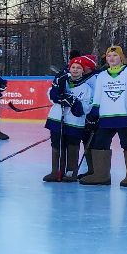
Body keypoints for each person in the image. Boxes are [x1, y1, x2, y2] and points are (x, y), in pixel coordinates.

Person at [82, 45, 127, 188]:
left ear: (121, 58)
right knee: (100, 144)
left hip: (124, 116)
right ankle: (101, 175)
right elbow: (97, 98)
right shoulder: (102, 76)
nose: (112, 58)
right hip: (105, 118)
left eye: (115, 56)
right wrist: (93, 114)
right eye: (109, 56)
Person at [44, 54, 96, 183]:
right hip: (57, 119)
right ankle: (56, 172)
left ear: (83, 71)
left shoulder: (87, 88)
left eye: (79, 68)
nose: (75, 70)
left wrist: (73, 102)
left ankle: (71, 172)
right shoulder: (62, 81)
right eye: (73, 67)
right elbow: (51, 96)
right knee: (57, 145)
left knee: (72, 146)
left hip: (75, 123)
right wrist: (61, 96)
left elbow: (86, 107)